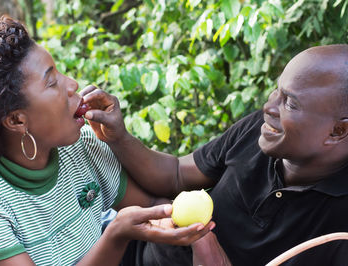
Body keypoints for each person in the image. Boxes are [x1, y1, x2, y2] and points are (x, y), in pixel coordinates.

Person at [0, 16, 214, 265]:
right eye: (52, 83)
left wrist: (184, 223)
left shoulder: (81, 147)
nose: (72, 84)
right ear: (17, 121)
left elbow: (152, 208)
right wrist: (117, 235)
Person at [81, 44, 348, 265]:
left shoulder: (340, 228)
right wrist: (118, 137)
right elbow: (175, 174)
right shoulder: (259, 130)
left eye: (289, 102)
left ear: (338, 131)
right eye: (276, 90)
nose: (269, 107)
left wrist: (208, 250)